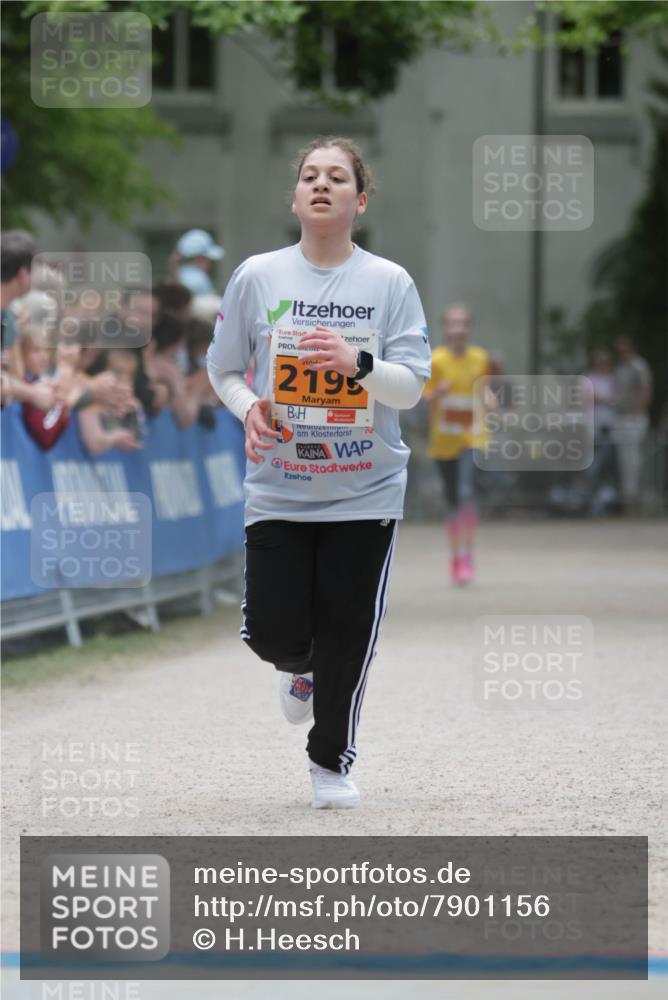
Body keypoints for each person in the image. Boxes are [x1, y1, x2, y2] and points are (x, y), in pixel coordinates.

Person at [207, 137, 431, 809]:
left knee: (348, 634)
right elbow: (223, 369)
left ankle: (330, 762)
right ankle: (296, 666)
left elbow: (412, 387)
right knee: (272, 631)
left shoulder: (389, 283)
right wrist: (249, 408)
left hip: (364, 490)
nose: (322, 184)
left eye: (338, 177)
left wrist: (354, 363)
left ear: (359, 200)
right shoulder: (257, 276)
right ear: (296, 197)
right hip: (279, 487)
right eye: (310, 176)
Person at [423, 305, 489, 584]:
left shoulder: (479, 358)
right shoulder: (435, 360)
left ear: (469, 328)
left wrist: (491, 400)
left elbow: (484, 387)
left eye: (463, 323)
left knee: (465, 491)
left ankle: (467, 555)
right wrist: (439, 391)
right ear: (445, 329)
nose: (458, 329)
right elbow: (424, 396)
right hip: (444, 439)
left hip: (472, 436)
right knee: (453, 499)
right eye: (453, 324)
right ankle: (456, 555)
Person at [612, 336, 652, 510]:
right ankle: (628, 498)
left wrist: (640, 411)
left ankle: (637, 498)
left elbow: (645, 389)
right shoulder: (620, 368)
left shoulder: (638, 365)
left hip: (634, 417)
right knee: (624, 460)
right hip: (621, 416)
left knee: (635, 459)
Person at [174, 229, 224, 297]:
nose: (210, 263)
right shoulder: (197, 279)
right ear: (199, 258)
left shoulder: (181, 273)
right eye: (208, 258)